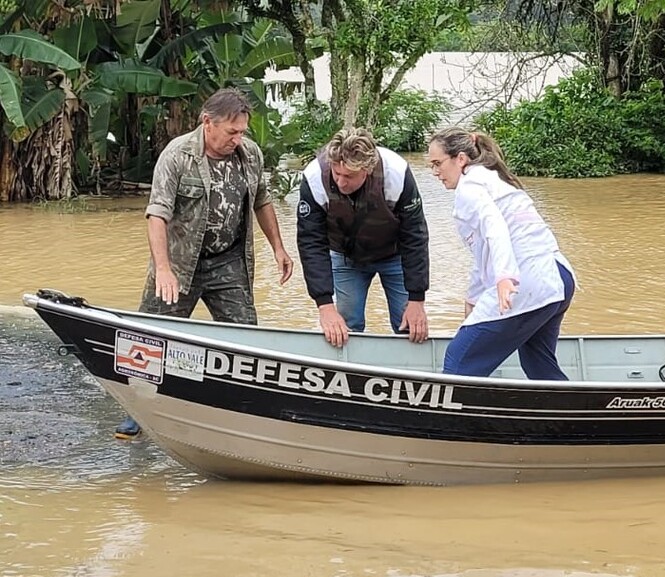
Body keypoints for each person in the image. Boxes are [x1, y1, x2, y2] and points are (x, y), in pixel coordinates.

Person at [115, 87, 294, 439]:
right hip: (180, 263)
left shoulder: (250, 154)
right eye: (232, 132)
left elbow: (262, 200)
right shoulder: (178, 155)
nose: (238, 138)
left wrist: (279, 248)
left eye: (242, 131)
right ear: (207, 122)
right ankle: (137, 413)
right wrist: (163, 268)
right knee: (149, 338)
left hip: (228, 261)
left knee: (246, 339)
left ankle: (247, 411)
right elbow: (157, 214)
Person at [426, 127, 576, 380]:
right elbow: (482, 252)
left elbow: (495, 226)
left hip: (526, 281)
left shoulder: (469, 186)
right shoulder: (491, 179)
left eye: (438, 163)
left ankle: (456, 419)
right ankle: (573, 417)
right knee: (538, 363)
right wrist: (472, 301)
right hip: (559, 277)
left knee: (458, 361)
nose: (435, 172)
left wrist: (505, 277)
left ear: (460, 159)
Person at [295, 128, 430, 348]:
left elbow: (415, 236)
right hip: (345, 257)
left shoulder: (395, 172)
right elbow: (311, 243)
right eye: (336, 173)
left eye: (349, 176)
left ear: (366, 169)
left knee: (410, 327)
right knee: (344, 329)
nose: (340, 182)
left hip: (395, 256)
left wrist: (417, 298)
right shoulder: (314, 177)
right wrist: (325, 306)